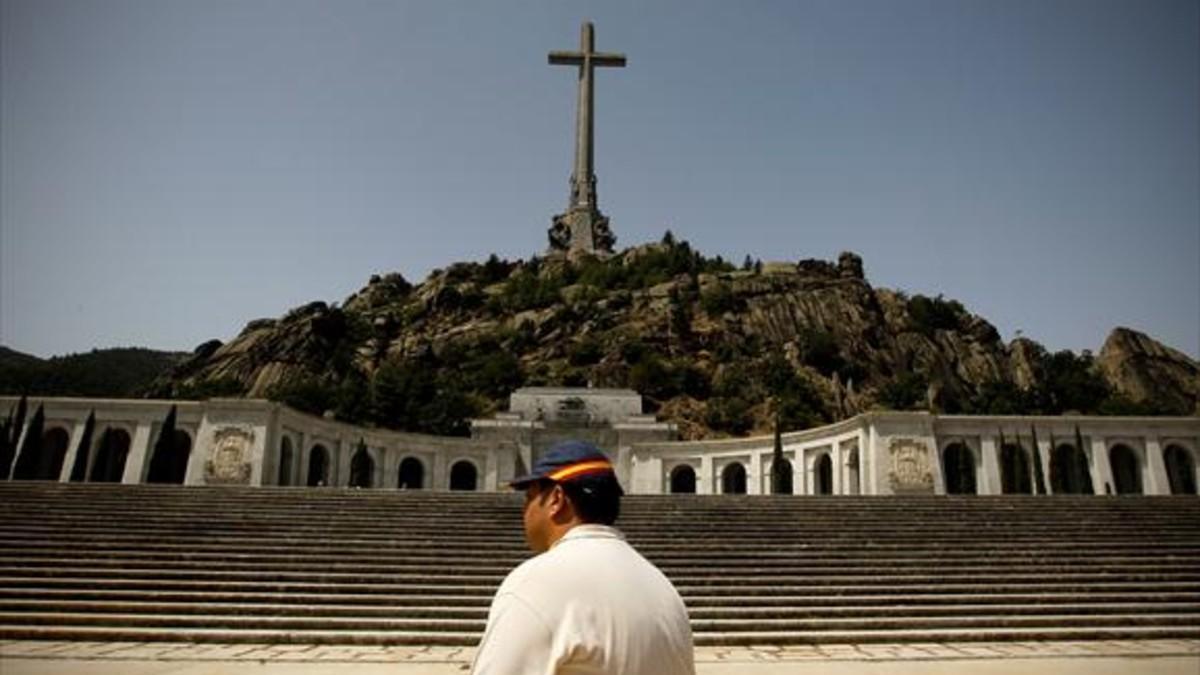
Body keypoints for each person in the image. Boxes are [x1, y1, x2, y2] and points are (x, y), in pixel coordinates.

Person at [470, 440, 695, 675]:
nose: (524, 510)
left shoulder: (536, 583)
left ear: (556, 499)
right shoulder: (661, 587)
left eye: (529, 497)